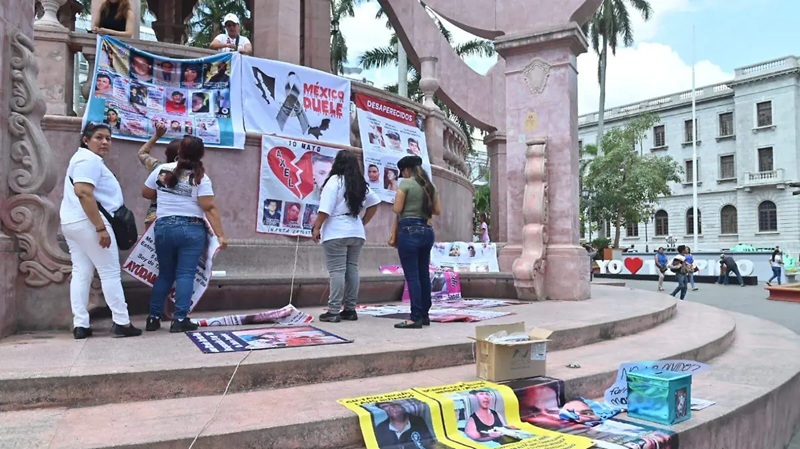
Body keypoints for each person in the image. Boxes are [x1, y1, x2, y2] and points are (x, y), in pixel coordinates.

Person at [60, 123, 142, 339]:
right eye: (99, 137)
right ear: (86, 140)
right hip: (90, 223)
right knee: (109, 272)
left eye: (108, 138)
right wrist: (100, 228)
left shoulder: (82, 159)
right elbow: (83, 192)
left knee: (81, 272)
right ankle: (121, 322)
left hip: (72, 222)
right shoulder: (88, 160)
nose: (105, 142)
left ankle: (80, 324)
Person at [142, 136, 228, 333]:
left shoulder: (162, 170)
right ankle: (180, 318)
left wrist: (166, 194)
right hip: (191, 228)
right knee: (185, 274)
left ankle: (153, 317)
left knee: (165, 273)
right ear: (201, 155)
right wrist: (221, 235)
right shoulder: (201, 178)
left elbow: (146, 192)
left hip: (163, 226)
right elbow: (209, 208)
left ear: (179, 151)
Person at [312, 150, 380, 323]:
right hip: (356, 230)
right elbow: (375, 202)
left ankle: (334, 310)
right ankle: (350, 309)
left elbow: (325, 209)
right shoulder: (360, 183)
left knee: (337, 271)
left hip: (336, 231)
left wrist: (317, 227)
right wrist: (363, 221)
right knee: (352, 269)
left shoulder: (334, 181)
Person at [389, 156, 441, 328]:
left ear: (406, 170)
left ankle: (415, 317)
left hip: (409, 231)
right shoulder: (430, 186)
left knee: (412, 276)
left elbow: (397, 208)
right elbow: (437, 210)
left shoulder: (406, 184)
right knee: (423, 274)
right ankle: (424, 314)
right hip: (427, 231)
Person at [137, 123, 179, 227]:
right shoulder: (191, 173)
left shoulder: (158, 167)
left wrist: (157, 136)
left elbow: (142, 153)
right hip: (179, 220)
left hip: (155, 216)